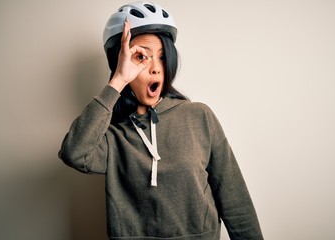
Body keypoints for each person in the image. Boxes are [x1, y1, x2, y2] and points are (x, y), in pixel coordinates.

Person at [59, 1, 264, 239]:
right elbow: (74, 154)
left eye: (163, 57)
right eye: (141, 57)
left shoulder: (198, 116)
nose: (156, 68)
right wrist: (118, 81)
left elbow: (234, 198)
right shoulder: (113, 137)